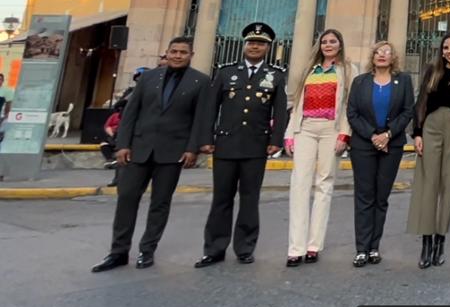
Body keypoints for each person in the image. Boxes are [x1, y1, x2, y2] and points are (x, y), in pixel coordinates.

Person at [90, 37, 210, 272]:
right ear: (166, 53)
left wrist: (191, 149)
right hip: (138, 149)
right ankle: (118, 252)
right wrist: (122, 145)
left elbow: (201, 118)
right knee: (126, 200)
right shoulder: (148, 78)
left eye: (182, 52)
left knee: (160, 203)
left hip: (172, 152)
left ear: (191, 55)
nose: (177, 55)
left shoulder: (200, 81)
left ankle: (147, 250)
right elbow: (131, 113)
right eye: (173, 51)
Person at [195, 22, 287, 267]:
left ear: (268, 47)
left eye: (261, 43)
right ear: (244, 45)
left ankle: (245, 247)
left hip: (257, 146)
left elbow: (280, 111)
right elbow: (210, 108)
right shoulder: (226, 73)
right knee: (221, 199)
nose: (255, 46)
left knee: (249, 199)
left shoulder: (275, 75)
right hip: (225, 144)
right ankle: (214, 248)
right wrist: (206, 138)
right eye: (251, 42)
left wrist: (276, 140)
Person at [283, 28, 356, 266]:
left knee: (324, 184)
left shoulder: (347, 70)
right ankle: (296, 247)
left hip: (331, 129)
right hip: (305, 127)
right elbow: (296, 103)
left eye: (333, 41)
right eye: (324, 41)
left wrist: (344, 134)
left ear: (340, 44)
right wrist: (289, 133)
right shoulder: (309, 69)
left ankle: (314, 245)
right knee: (299, 183)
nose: (328, 45)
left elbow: (348, 104)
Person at [346, 40, 414, 267]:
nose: (382, 55)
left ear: (393, 56)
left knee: (381, 197)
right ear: (372, 57)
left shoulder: (403, 81)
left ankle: (374, 246)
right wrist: (374, 136)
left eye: (386, 51)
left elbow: (407, 111)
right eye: (378, 52)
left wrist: (388, 134)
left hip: (391, 146)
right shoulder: (360, 82)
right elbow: (352, 113)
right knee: (364, 196)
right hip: (363, 145)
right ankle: (361, 248)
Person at [407, 32, 450, 269]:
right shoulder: (432, 72)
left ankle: (440, 240)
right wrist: (418, 133)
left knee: (449, 185)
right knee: (427, 185)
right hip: (430, 128)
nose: (449, 51)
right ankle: (426, 241)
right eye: (445, 47)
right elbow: (421, 102)